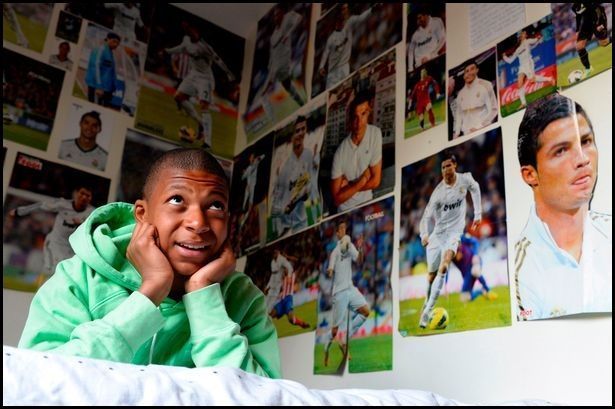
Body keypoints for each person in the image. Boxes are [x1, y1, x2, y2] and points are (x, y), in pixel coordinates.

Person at [18, 148, 282, 378]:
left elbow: (266, 396)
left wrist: (203, 294)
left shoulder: (244, 299)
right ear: (142, 215)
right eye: (177, 200)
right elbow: (40, 382)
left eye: (215, 206)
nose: (199, 223)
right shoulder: (78, 277)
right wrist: (150, 292)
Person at [515, 93, 611, 321]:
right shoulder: (521, 269)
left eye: (586, 142)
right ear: (530, 174)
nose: (582, 159)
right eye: (561, 150)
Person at [418, 152, 482, 329]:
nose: (446, 169)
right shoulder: (438, 194)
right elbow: (425, 218)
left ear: (455, 166)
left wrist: (478, 214)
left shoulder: (465, 180)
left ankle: (426, 312)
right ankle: (427, 301)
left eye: (448, 165)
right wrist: (424, 235)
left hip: (454, 234)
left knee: (445, 265)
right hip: (437, 235)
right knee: (431, 277)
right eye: (443, 167)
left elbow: (475, 188)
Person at [164, 21, 236, 149]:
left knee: (204, 107)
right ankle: (201, 123)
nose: (189, 32)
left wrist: (228, 73)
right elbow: (181, 48)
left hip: (205, 79)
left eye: (191, 29)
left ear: (197, 31)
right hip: (193, 75)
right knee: (178, 97)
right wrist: (168, 51)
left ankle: (208, 142)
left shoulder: (205, 47)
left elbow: (218, 60)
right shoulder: (186, 40)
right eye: (187, 29)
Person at [7, 185, 95, 279]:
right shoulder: (62, 204)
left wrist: (82, 224)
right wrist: (19, 211)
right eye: (82, 193)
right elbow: (41, 205)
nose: (84, 197)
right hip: (55, 244)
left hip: (71, 248)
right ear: (75, 193)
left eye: (88, 195)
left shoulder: (92, 213)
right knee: (50, 272)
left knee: (68, 276)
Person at [323, 219, 369, 366]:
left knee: (366, 311)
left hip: (350, 288)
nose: (343, 231)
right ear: (337, 233)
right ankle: (326, 347)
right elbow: (330, 268)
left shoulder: (349, 246)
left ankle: (345, 340)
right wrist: (330, 271)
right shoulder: (335, 252)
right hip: (339, 293)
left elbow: (359, 260)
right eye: (341, 229)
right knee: (335, 330)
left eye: (345, 228)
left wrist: (360, 247)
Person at [250, 5, 305, 120]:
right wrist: (270, 65)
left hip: (283, 64)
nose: (276, 17)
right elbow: (272, 53)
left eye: (278, 14)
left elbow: (300, 18)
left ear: (282, 14)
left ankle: (273, 120)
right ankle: (301, 103)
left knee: (264, 93)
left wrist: (288, 33)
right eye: (274, 16)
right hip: (275, 67)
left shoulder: (288, 18)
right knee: (288, 87)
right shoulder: (274, 35)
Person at [330, 91, 382, 212]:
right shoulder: (340, 153)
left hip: (367, 204)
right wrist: (362, 180)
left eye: (363, 114)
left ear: (369, 111)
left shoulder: (375, 134)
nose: (359, 123)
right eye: (355, 117)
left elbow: (375, 181)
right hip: (345, 210)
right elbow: (337, 199)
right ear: (350, 118)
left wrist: (348, 188)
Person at [270, 116, 315, 238]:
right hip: (285, 225)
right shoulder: (283, 165)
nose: (300, 133)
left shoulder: (309, 155)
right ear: (291, 136)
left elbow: (311, 189)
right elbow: (276, 197)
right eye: (297, 131)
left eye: (303, 129)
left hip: (302, 221)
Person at [318, 3, 372, 90]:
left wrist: (371, 10)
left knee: (345, 90)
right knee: (330, 92)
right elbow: (326, 52)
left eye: (345, 8)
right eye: (343, 9)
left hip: (344, 67)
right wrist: (321, 66)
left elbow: (361, 17)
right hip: (332, 71)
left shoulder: (349, 23)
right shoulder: (331, 38)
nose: (341, 22)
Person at [501, 29, 555, 108]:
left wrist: (538, 38)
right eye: (523, 33)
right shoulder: (517, 49)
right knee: (519, 83)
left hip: (529, 63)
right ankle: (523, 103)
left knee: (533, 79)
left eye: (525, 33)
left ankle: (550, 79)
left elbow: (535, 40)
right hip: (522, 66)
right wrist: (504, 56)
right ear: (519, 36)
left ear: (525, 36)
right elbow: (510, 60)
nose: (524, 34)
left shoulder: (528, 41)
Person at [452, 60, 498, 139]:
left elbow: (494, 109)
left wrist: (479, 127)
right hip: (467, 135)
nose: (469, 72)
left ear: (477, 70)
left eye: (472, 69)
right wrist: (456, 133)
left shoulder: (486, 85)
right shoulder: (460, 94)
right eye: (467, 71)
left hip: (484, 131)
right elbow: (459, 115)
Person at [268, 249, 310, 329]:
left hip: (288, 299)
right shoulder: (281, 277)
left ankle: (302, 324)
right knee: (270, 315)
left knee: (291, 319)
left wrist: (287, 257)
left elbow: (299, 261)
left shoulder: (293, 275)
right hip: (281, 300)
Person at [571, 2, 611, 79]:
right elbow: (578, 16)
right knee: (579, 46)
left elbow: (597, 9)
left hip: (598, 17)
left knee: (603, 43)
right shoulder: (574, 7)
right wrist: (577, 30)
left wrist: (598, 24)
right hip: (587, 22)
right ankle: (588, 68)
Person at [455, 232, 497, 302]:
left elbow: (475, 242)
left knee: (475, 271)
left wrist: (475, 254)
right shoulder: (447, 251)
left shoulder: (462, 237)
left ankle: (488, 290)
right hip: (466, 272)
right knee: (464, 298)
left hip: (474, 261)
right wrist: (446, 284)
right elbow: (445, 267)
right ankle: (481, 291)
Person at [85, 32, 121, 108]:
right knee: (94, 108)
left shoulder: (110, 52)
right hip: (98, 88)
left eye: (118, 43)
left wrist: (113, 86)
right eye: (114, 41)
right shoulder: (101, 50)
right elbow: (96, 68)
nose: (116, 45)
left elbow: (110, 71)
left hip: (106, 89)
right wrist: (98, 87)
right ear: (107, 39)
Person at [407, 8, 445, 72]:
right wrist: (410, 68)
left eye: (420, 18)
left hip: (433, 60)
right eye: (417, 19)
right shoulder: (415, 34)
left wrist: (431, 55)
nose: (418, 21)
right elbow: (410, 52)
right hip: (420, 65)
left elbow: (442, 39)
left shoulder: (436, 22)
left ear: (426, 15)